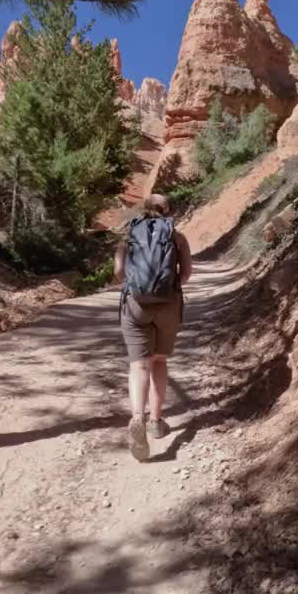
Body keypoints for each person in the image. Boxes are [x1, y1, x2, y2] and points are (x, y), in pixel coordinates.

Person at [114, 193, 192, 462]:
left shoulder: (129, 236)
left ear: (144, 209)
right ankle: (156, 422)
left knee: (139, 365)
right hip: (168, 305)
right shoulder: (176, 236)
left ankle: (137, 416)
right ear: (167, 211)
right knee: (159, 361)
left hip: (135, 305)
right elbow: (186, 274)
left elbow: (118, 273)